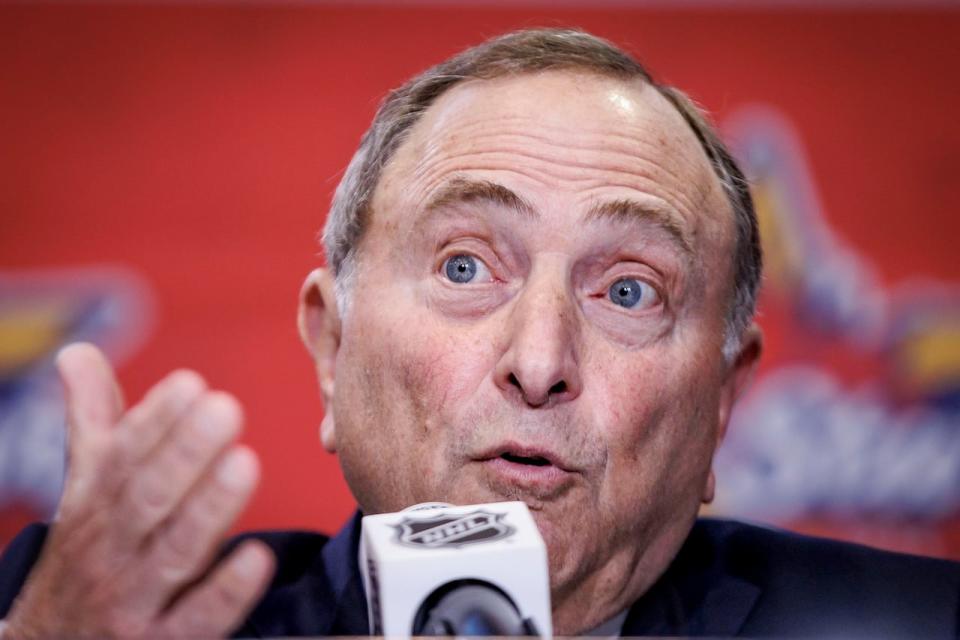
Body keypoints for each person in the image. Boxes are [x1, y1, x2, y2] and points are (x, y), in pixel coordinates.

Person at [0, 27, 958, 638]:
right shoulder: (77, 616)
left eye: (628, 291)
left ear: (722, 403)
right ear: (332, 351)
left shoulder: (914, 626)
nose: (538, 363)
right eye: (465, 268)